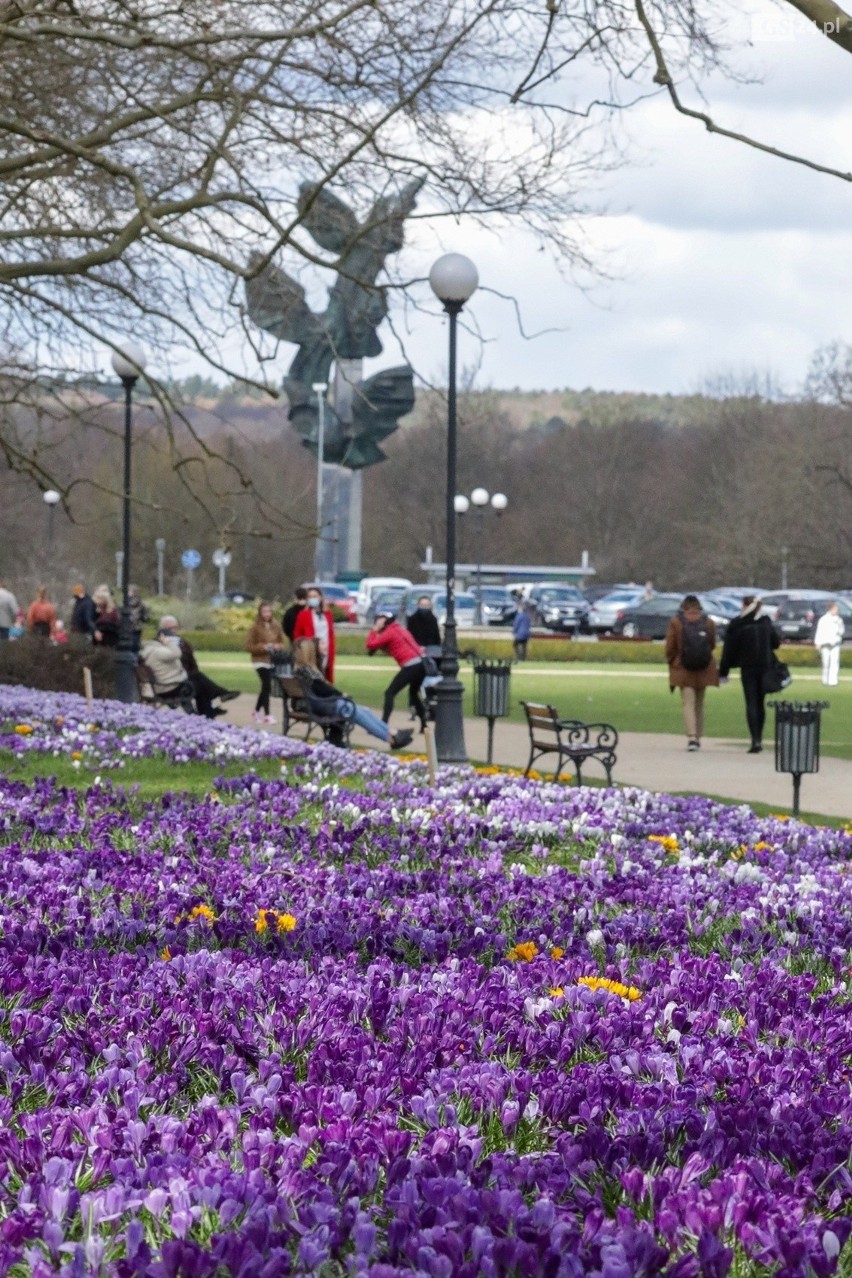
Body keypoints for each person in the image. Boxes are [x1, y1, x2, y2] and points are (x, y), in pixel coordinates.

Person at [292, 638, 414, 750]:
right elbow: (322, 688)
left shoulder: (303, 670)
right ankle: (391, 738)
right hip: (322, 705)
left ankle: (393, 733)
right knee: (356, 710)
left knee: (364, 710)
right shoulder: (306, 670)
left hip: (320, 703)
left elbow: (321, 688)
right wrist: (341, 694)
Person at [718, 596, 780, 753]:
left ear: (744, 605)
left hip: (747, 668)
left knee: (751, 702)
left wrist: (724, 671)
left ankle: (755, 740)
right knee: (760, 702)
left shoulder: (738, 624)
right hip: (765, 666)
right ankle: (759, 738)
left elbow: (729, 650)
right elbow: (776, 643)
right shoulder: (765, 622)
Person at [665, 594, 719, 752]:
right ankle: (699, 737)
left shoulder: (676, 622)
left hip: (683, 667)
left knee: (688, 703)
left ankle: (692, 737)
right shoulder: (708, 622)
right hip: (704, 667)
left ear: (684, 607)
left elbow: (670, 646)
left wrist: (671, 661)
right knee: (700, 704)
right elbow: (712, 644)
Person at [158, 615, 240, 718]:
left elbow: (192, 662)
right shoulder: (158, 644)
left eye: (175, 627)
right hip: (171, 680)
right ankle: (215, 700)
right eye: (170, 628)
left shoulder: (182, 642)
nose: (173, 631)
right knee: (199, 684)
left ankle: (209, 712)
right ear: (162, 629)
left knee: (200, 684)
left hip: (186, 676)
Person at [366, 611, 427, 732]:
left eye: (379, 620)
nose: (378, 622)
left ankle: (382, 725)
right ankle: (424, 724)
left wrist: (374, 630)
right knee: (413, 694)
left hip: (411, 666)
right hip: (421, 664)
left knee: (390, 693)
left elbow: (370, 645)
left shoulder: (389, 632)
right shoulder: (400, 629)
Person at [245, 601, 286, 723]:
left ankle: (256, 711)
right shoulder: (255, 628)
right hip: (259, 660)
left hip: (272, 660)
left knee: (265, 687)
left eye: (269, 611)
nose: (267, 614)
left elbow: (281, 642)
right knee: (267, 685)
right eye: (264, 612)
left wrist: (278, 646)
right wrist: (264, 647)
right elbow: (248, 646)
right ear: (260, 613)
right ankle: (267, 714)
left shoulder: (276, 626)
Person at [140, 626, 195, 706]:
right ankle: (206, 711)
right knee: (198, 682)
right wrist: (168, 642)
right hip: (169, 688)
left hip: (165, 685)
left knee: (198, 680)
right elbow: (177, 654)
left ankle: (209, 708)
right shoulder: (158, 651)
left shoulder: (152, 649)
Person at [293, 585, 336, 681]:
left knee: (325, 676)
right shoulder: (303, 615)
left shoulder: (328, 614)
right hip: (311, 650)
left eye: (315, 596)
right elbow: (297, 636)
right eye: (310, 597)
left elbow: (330, 634)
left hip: (326, 650)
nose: (313, 599)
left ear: (320, 598)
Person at [814, 601, 844, 687]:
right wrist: (818, 643)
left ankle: (833, 681)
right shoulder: (824, 619)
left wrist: (838, 626)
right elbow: (819, 631)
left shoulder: (839, 620)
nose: (836, 611)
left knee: (835, 662)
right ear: (830, 609)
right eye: (835, 609)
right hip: (825, 644)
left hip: (835, 644)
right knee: (826, 662)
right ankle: (825, 680)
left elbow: (842, 631)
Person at [128, 584, 149, 654]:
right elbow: (145, 618)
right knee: (135, 647)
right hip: (137, 628)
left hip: (128, 627)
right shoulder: (141, 604)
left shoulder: (126, 603)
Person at [512, 595, 531, 661]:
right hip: (526, 634)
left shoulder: (519, 616)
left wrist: (514, 632)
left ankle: (518, 657)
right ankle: (523, 658)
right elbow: (529, 625)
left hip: (520, 634)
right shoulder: (526, 616)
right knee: (524, 647)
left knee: (515, 645)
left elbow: (516, 625)